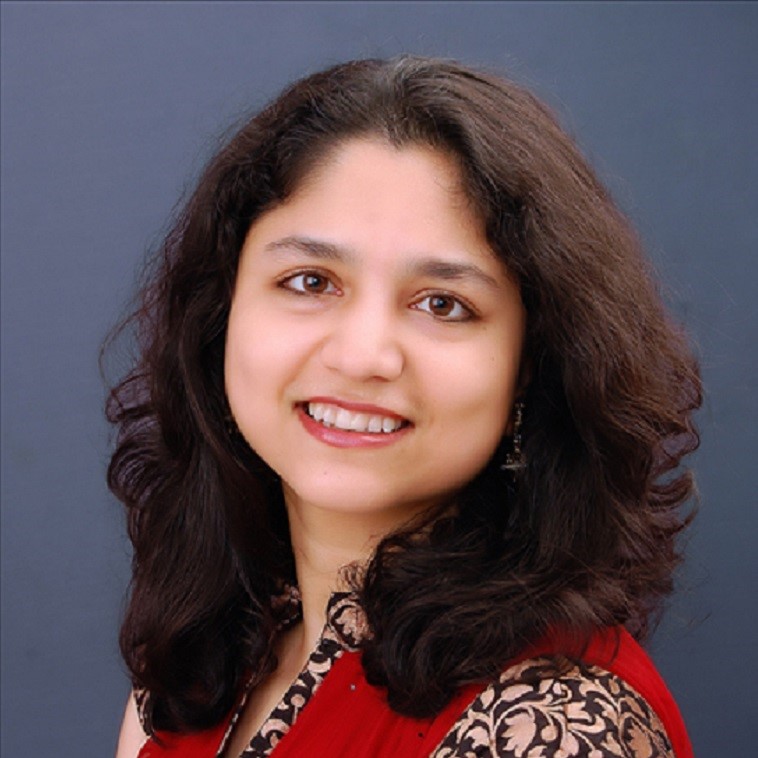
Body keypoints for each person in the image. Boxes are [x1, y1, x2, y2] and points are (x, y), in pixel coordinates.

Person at [110, 56, 701, 757]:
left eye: (442, 304)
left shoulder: (552, 726)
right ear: (222, 316)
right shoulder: (203, 661)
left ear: (531, 366)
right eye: (310, 281)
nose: (363, 355)